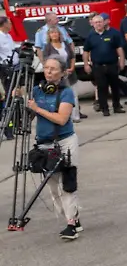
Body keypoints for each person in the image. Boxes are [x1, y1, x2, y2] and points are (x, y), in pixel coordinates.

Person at [18, 57, 84, 239]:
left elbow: (62, 119)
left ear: (62, 73)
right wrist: (22, 105)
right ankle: (73, 219)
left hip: (64, 142)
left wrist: (38, 109)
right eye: (46, 68)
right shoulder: (36, 92)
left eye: (53, 69)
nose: (48, 71)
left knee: (67, 184)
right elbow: (28, 118)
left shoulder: (66, 93)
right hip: (44, 144)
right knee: (53, 189)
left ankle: (71, 223)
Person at [82, 13, 126, 116]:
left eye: (100, 22)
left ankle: (117, 106)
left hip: (112, 65)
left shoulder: (112, 34)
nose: (98, 24)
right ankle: (104, 108)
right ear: (92, 24)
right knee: (102, 88)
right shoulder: (90, 36)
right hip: (98, 66)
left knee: (115, 87)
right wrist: (86, 64)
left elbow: (119, 48)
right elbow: (86, 51)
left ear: (104, 23)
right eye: (96, 22)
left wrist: (122, 60)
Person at [40, 26, 83, 122]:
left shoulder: (65, 44)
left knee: (73, 95)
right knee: (61, 96)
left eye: (56, 33)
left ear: (59, 34)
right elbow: (47, 61)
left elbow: (72, 56)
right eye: (52, 33)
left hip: (70, 73)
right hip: (57, 76)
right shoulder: (47, 47)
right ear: (49, 35)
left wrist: (71, 67)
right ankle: (63, 116)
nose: (54, 35)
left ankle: (75, 116)